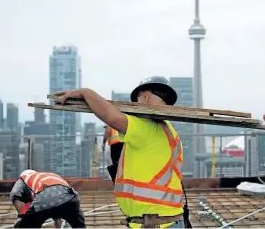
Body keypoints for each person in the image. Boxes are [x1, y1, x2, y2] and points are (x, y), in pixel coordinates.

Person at [53, 76, 190, 228]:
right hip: (161, 220)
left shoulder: (147, 127)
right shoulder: (168, 130)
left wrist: (86, 93)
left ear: (144, 95)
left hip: (157, 223)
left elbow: (112, 117)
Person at [10, 169, 86, 228]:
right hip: (71, 199)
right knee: (78, 223)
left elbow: (15, 194)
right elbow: (57, 205)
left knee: (26, 225)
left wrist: (21, 217)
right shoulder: (49, 175)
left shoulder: (23, 178)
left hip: (45, 199)